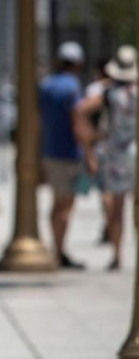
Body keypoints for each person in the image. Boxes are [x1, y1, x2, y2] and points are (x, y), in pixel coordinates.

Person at [75, 45, 138, 271]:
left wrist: (91, 141)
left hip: (116, 152)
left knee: (117, 208)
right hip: (134, 150)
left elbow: (81, 110)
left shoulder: (109, 94)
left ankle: (117, 254)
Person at [39, 41, 86, 270]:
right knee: (66, 206)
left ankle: (56, 248)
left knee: (56, 204)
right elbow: (77, 121)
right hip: (68, 153)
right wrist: (89, 151)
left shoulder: (47, 85)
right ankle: (59, 251)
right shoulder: (73, 87)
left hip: (49, 151)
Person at [83, 59, 112, 245]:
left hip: (103, 146)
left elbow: (81, 111)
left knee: (106, 192)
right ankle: (114, 227)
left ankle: (110, 226)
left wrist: (89, 140)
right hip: (127, 148)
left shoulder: (97, 90)